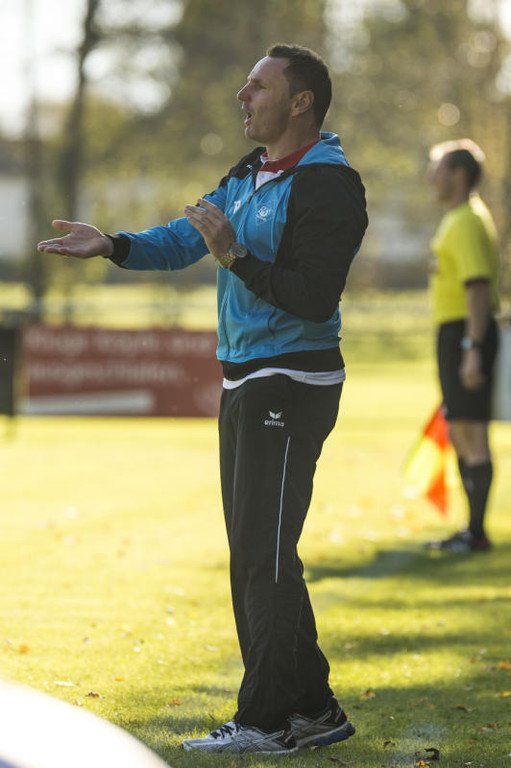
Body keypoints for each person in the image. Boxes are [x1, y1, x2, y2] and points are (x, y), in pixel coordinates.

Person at [38, 44, 368, 754]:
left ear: (301, 102)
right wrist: (113, 245)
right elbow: (184, 239)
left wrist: (236, 257)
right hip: (244, 377)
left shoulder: (329, 184)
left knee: (262, 555)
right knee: (254, 551)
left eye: (258, 87)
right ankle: (312, 708)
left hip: (293, 380)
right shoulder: (249, 172)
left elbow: (313, 297)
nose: (242, 97)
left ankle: (266, 719)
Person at [426, 139, 500, 553]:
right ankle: (470, 529)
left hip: (466, 334)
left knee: (472, 432)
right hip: (454, 334)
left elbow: (478, 288)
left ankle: (477, 533)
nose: (430, 177)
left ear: (458, 174)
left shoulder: (468, 220)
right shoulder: (457, 218)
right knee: (459, 430)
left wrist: (472, 347)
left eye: (436, 169)